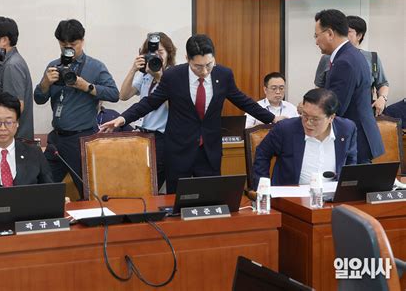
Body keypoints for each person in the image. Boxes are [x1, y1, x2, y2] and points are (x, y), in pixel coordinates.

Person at [100, 34, 283, 194]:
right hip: (179, 151)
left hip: (209, 151)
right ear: (187, 58)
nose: (204, 71)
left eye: (208, 65)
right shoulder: (174, 76)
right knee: (178, 202)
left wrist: (272, 118)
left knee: (210, 198)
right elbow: (149, 102)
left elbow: (243, 100)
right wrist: (122, 118)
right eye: (198, 66)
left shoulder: (223, 75)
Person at [34, 19, 119, 199]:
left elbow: (114, 94)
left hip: (81, 139)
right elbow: (39, 99)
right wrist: (45, 83)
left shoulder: (95, 67)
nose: (68, 49)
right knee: (42, 188)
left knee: (88, 192)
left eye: (73, 44)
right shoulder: (53, 66)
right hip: (56, 139)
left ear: (82, 41)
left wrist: (86, 86)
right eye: (64, 45)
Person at [313, 9, 383, 163]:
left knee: (354, 185)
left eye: (317, 35)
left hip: (355, 140)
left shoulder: (344, 61)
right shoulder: (353, 54)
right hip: (360, 135)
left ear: (330, 33)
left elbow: (336, 107)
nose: (316, 41)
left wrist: (310, 109)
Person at [253, 88, 357, 189]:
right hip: (292, 197)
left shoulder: (346, 129)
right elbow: (262, 154)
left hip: (332, 197)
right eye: (305, 116)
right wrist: (263, 188)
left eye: (315, 119)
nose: (308, 123)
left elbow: (351, 162)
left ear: (331, 117)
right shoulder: (285, 129)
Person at [119, 32, 177, 189]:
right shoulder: (146, 74)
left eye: (161, 52)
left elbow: (175, 109)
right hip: (142, 136)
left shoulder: (174, 75)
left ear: (169, 54)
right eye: (152, 52)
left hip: (161, 138)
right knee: (139, 183)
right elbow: (123, 95)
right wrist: (133, 69)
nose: (156, 56)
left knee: (150, 186)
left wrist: (159, 78)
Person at [314, 15, 389, 116]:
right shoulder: (327, 58)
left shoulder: (371, 58)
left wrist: (382, 98)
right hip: (333, 113)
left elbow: (382, 83)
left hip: (359, 114)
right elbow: (319, 87)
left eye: (348, 32)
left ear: (359, 35)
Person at [0, 16, 34, 140]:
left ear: (4, 40)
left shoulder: (12, 65)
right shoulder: (5, 63)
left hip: (13, 142)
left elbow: (15, 108)